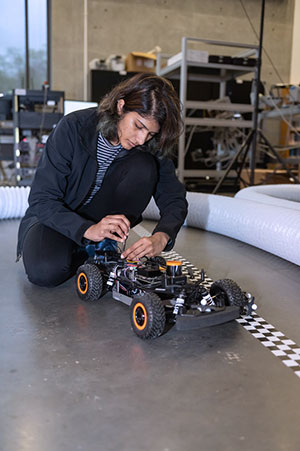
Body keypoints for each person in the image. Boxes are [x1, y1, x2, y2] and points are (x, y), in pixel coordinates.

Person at [17, 73, 188, 287]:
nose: (142, 139)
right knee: (45, 271)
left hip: (102, 221)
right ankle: (88, 246)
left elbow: (174, 197)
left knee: (144, 166)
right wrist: (87, 230)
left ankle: (102, 245)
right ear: (121, 107)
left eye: (151, 133)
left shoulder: (149, 146)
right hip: (57, 218)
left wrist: (162, 236)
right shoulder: (73, 128)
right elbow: (42, 200)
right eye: (138, 126)